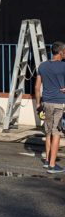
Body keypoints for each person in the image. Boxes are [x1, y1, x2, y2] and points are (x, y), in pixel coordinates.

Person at [35, 41, 65, 174]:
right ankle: (52, 165)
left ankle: (47, 161)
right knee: (56, 133)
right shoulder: (63, 66)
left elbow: (37, 87)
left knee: (48, 132)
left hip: (46, 103)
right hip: (58, 103)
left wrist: (38, 104)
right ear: (61, 52)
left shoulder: (42, 66)